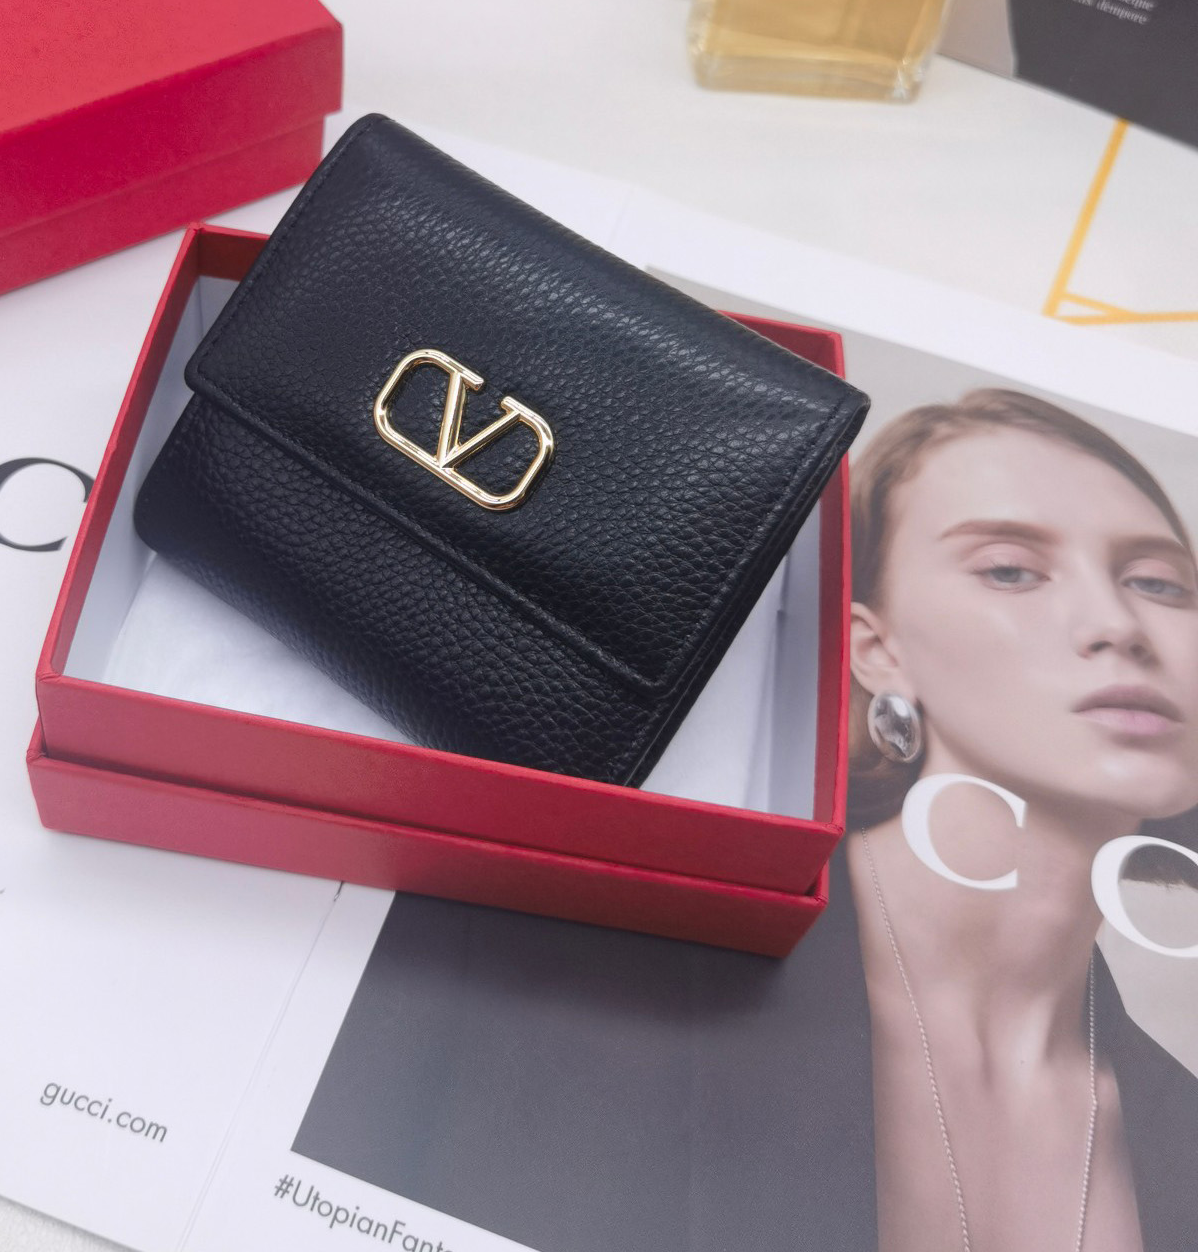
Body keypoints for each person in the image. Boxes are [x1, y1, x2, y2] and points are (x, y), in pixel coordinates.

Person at [294, 389, 1198, 1252]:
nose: (1117, 625)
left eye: (1160, 584)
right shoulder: (586, 947)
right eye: (1010, 570)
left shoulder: (1175, 1130)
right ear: (875, 650)